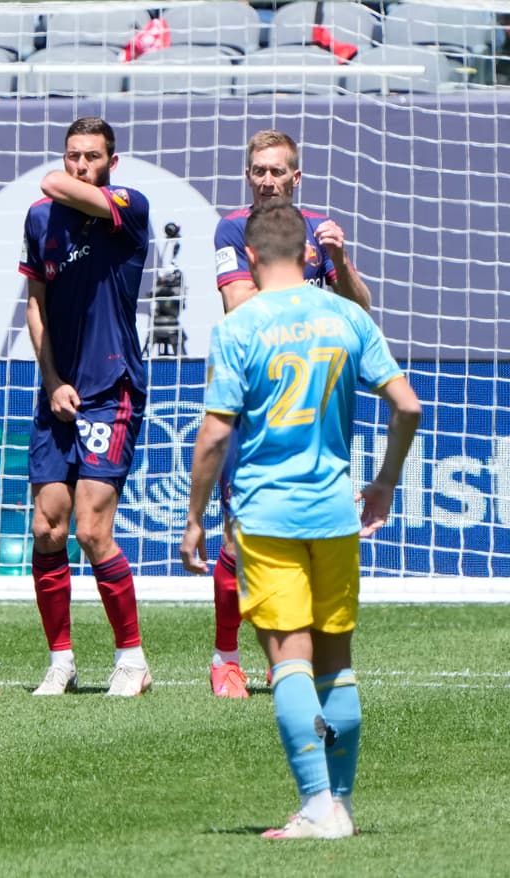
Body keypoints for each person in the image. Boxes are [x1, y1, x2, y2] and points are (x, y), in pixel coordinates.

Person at [181, 202, 420, 838]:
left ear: (251, 259)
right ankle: (338, 803)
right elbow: (408, 405)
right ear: (310, 255)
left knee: (288, 660)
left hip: (267, 514)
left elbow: (212, 436)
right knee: (335, 662)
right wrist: (386, 482)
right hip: (335, 512)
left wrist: (196, 516)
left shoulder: (238, 326)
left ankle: (318, 805)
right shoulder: (346, 315)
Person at [207, 130, 373, 698]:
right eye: (259, 171)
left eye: (278, 171)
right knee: (238, 535)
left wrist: (341, 261)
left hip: (313, 409)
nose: (268, 180)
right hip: (256, 402)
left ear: (296, 178)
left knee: (302, 533)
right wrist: (309, 291)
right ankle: (225, 657)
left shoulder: (319, 233)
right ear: (248, 176)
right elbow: (238, 304)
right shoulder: (234, 230)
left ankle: (290, 657)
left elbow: (361, 313)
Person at [19, 116, 154, 697]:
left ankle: (132, 658)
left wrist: (60, 178)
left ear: (110, 163)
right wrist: (51, 381)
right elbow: (36, 307)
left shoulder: (129, 206)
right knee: (47, 526)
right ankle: (62, 660)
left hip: (111, 385)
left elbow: (57, 184)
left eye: (92, 156)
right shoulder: (39, 220)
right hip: (60, 392)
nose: (80, 165)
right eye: (72, 155)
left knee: (93, 528)